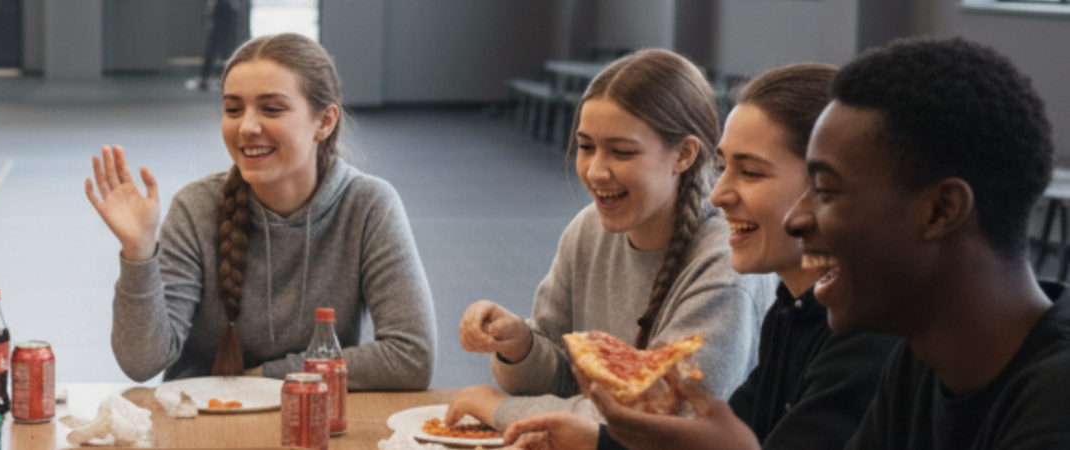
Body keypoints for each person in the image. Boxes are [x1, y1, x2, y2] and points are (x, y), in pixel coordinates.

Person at [497, 64, 899, 450]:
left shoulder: (867, 342)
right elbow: (726, 431)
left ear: (830, 187)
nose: (718, 194)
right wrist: (597, 442)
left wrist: (498, 408)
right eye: (724, 166)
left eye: (752, 172)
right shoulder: (790, 311)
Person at [89, 33, 436, 389]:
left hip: (315, 426)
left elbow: (412, 356)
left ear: (325, 122)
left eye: (271, 108)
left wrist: (265, 378)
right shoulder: (196, 208)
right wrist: (138, 253)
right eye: (233, 109)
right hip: (205, 424)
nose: (247, 127)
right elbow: (140, 362)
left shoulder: (368, 206)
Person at [447, 49, 770, 430]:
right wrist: (520, 346)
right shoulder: (588, 230)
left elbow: (657, 421)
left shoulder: (726, 262)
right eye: (586, 147)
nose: (596, 171)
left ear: (684, 154)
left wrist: (497, 409)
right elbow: (566, 377)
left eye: (622, 151)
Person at [783, 37, 1069, 450]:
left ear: (940, 210)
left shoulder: (1056, 405)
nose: (794, 220)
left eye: (825, 191)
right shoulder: (918, 363)